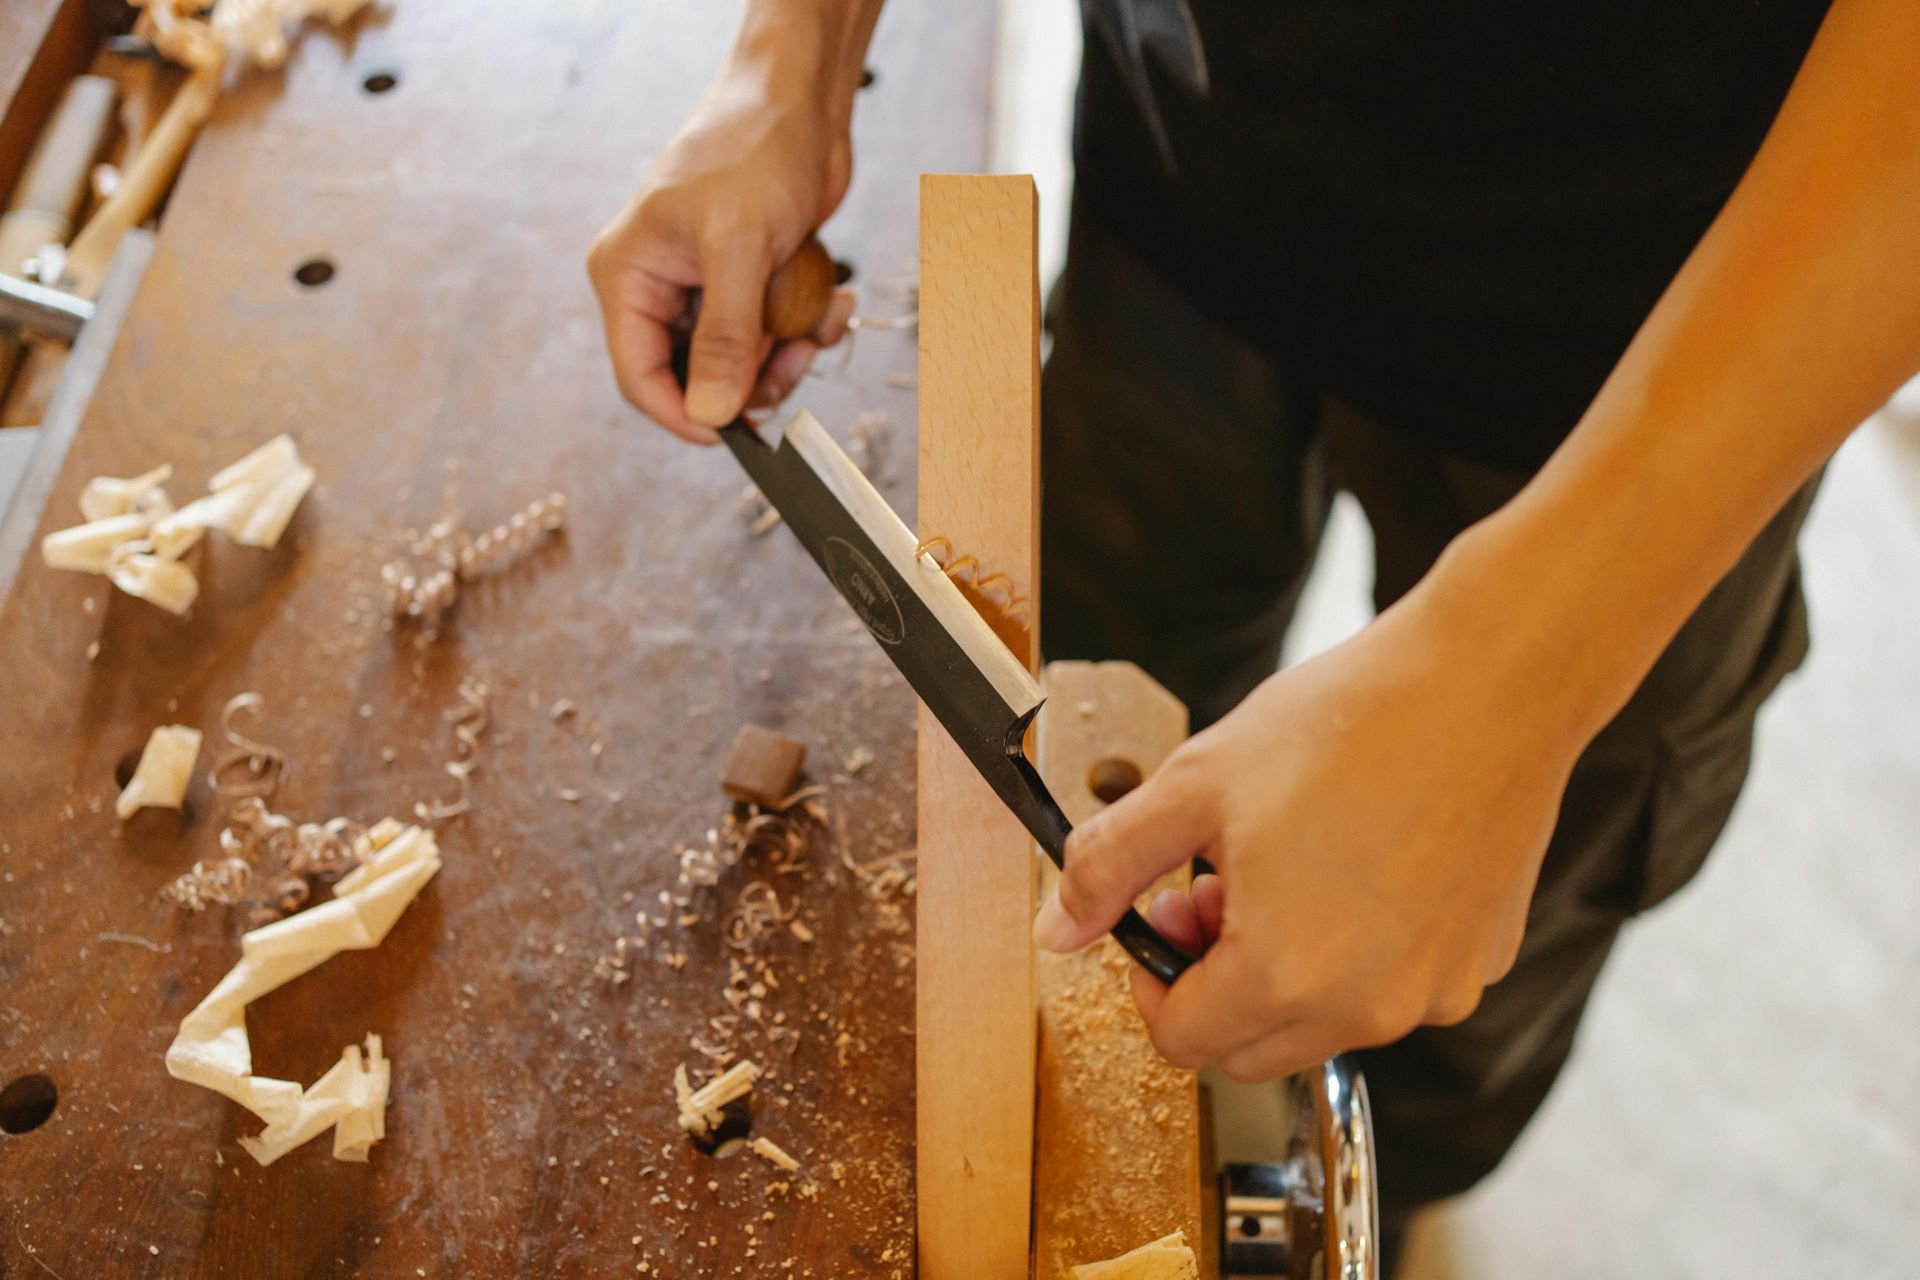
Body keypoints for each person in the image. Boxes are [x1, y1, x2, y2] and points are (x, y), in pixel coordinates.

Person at [588, 0, 1920, 1267]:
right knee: (1098, 711)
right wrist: (793, 63)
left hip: (1698, 314)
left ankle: (1379, 1190)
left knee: (1445, 963)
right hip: (1185, 163)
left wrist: (1519, 673)